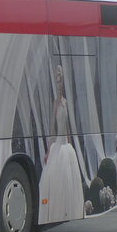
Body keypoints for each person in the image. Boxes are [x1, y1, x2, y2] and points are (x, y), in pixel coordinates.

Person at [39, 65, 85, 223]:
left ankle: (68, 211)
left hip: (66, 146)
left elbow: (67, 127)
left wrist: (70, 143)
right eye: (57, 81)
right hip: (57, 144)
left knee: (68, 179)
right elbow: (53, 128)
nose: (60, 85)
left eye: (61, 81)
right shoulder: (56, 103)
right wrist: (47, 150)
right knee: (58, 180)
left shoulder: (65, 102)